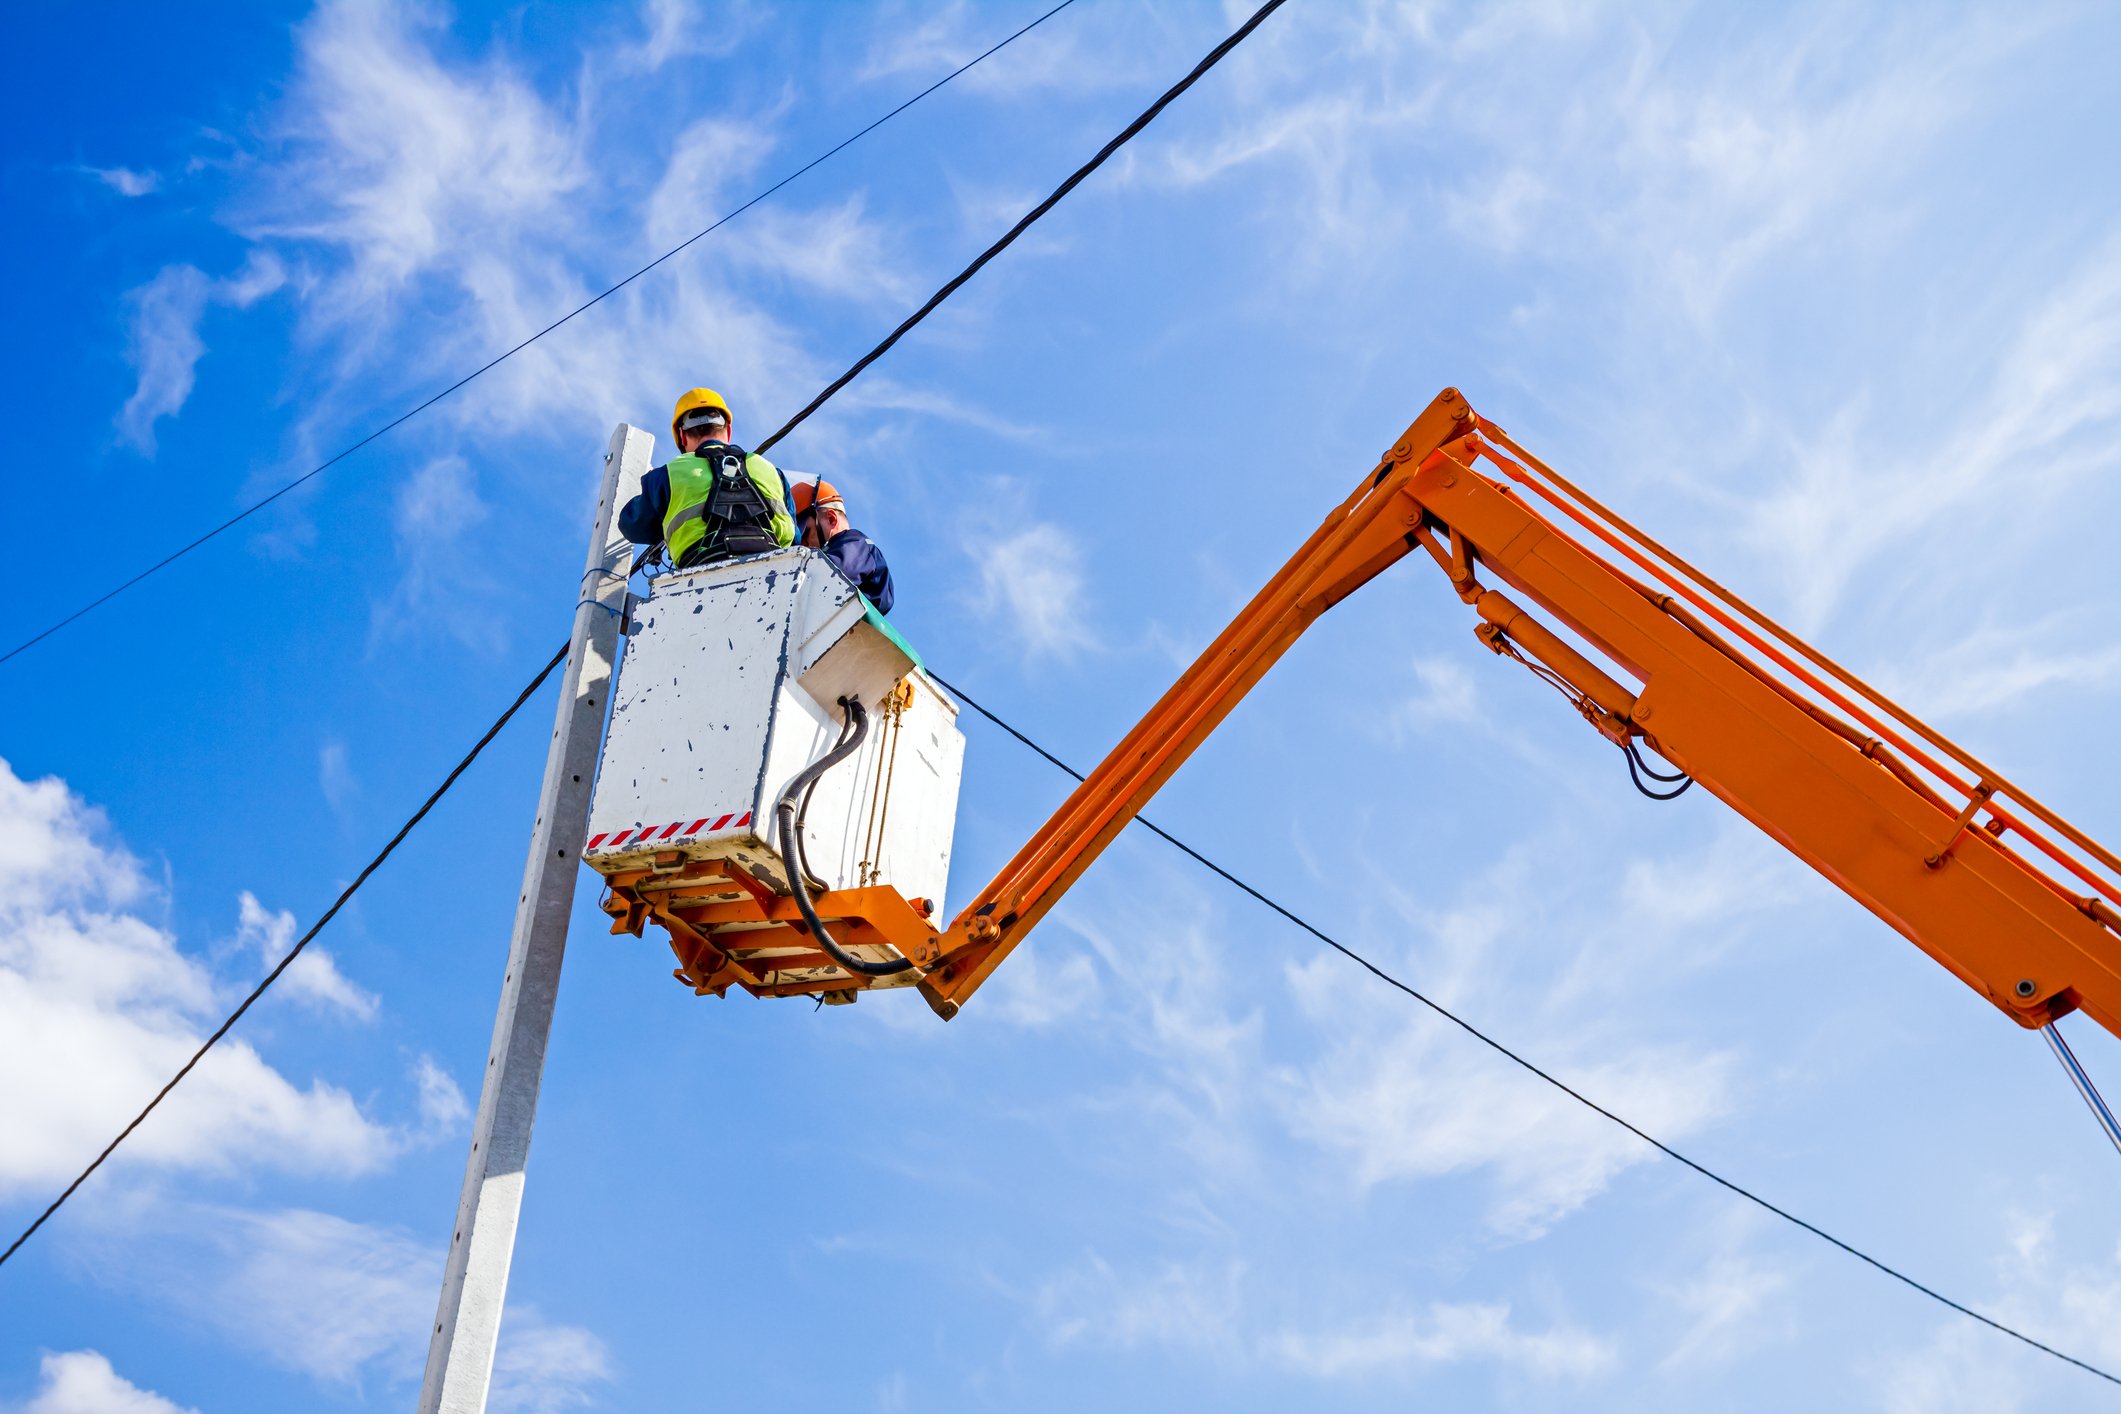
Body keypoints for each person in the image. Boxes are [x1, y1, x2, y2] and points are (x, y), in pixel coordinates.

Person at [619, 387, 794, 566]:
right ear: (728, 429)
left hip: (698, 574)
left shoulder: (667, 475)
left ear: (682, 436)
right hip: (775, 571)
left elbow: (632, 525)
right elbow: (795, 537)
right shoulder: (771, 471)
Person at [791, 476, 894, 615]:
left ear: (831, 519)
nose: (803, 545)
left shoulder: (856, 543)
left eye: (805, 533)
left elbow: (825, 577)